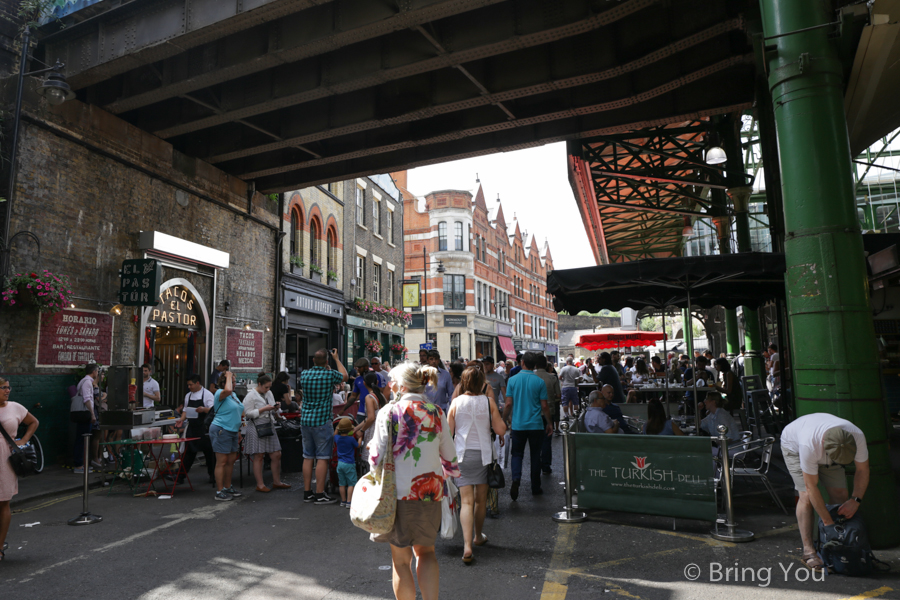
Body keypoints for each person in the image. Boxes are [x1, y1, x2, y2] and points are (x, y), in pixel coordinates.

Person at [367, 361, 459, 600]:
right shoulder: (436, 412)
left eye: (391, 380)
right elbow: (450, 458)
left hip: (395, 493)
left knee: (400, 561)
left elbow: (375, 459)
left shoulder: (388, 412)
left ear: (401, 384)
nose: (389, 384)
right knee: (427, 553)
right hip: (429, 492)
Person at [780, 413, 869, 571]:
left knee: (841, 496)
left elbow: (862, 470)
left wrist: (856, 500)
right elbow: (811, 487)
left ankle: (839, 545)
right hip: (794, 447)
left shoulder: (856, 435)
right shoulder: (809, 445)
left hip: (830, 452)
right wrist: (828, 523)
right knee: (806, 497)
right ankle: (809, 551)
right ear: (823, 443)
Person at [447, 366, 507, 564]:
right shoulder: (488, 401)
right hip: (483, 455)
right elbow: (500, 429)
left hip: (462, 454)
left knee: (466, 501)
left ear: (463, 383)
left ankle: (466, 546)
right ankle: (478, 536)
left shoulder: (456, 402)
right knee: (480, 500)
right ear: (483, 383)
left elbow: (449, 432)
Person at [300, 348, 348, 504]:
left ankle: (307, 492)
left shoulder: (305, 374)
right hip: (322, 420)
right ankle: (320, 494)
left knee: (307, 456)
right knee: (322, 458)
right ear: (326, 361)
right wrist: (337, 359)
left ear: (313, 360)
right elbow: (345, 376)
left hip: (306, 420)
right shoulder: (329, 375)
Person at [502, 351, 553, 500]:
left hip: (518, 425)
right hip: (536, 424)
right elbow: (544, 406)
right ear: (535, 365)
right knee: (535, 455)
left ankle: (516, 479)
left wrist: (503, 419)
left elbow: (508, 403)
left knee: (517, 454)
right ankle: (535, 486)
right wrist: (549, 422)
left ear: (522, 363)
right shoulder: (539, 381)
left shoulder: (512, 380)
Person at [0, 377, 39, 561]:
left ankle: (0, 546)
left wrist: (23, 441)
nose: (7, 391)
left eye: (8, 387)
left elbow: (33, 422)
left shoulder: (15, 407)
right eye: (3, 388)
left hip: (5, 459)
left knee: (3, 502)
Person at [243, 374, 290, 493]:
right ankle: (260, 484)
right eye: (266, 387)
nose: (268, 389)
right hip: (256, 425)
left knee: (276, 454)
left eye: (269, 387)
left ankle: (277, 481)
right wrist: (263, 409)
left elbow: (272, 407)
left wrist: (276, 407)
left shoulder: (269, 393)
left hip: (269, 424)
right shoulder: (250, 396)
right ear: (259, 384)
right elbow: (247, 414)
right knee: (258, 456)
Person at [174, 374, 216, 485]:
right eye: (188, 385)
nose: (189, 387)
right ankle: (180, 476)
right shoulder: (188, 395)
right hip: (192, 427)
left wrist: (203, 409)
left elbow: (212, 411)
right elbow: (185, 410)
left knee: (209, 453)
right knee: (188, 452)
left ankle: (213, 475)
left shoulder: (207, 395)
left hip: (204, 427)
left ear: (197, 383)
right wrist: (181, 420)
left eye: (191, 384)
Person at [209, 371, 244, 501]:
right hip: (221, 429)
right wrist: (228, 375)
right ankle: (219, 490)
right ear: (224, 383)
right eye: (233, 382)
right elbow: (228, 390)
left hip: (233, 431)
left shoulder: (233, 395)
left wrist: (239, 430)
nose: (235, 384)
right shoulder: (220, 393)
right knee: (222, 461)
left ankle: (228, 487)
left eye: (235, 381)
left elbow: (238, 412)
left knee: (230, 461)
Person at [352, 372, 388, 463]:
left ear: (364, 383)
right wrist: (356, 428)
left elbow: (371, 418)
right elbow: (369, 417)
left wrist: (361, 431)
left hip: (373, 431)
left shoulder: (369, 397)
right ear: (377, 382)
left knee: (371, 459)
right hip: (382, 428)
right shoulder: (381, 396)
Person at [534, 354, 560, 471]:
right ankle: (546, 465)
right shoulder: (553, 378)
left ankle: (536, 464)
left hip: (534, 412)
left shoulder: (532, 377)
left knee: (535, 441)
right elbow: (558, 396)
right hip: (549, 411)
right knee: (546, 440)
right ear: (545, 365)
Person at [73, 364, 99, 474]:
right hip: (85, 414)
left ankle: (82, 464)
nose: (97, 373)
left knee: (83, 439)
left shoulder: (85, 381)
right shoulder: (87, 382)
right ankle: (78, 466)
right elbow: (87, 399)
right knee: (82, 440)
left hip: (83, 414)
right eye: (97, 371)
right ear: (94, 371)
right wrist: (92, 414)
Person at [333, 417, 359, 508]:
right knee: (351, 483)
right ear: (350, 430)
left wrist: (337, 427)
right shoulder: (351, 439)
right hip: (349, 463)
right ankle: (349, 501)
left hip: (340, 464)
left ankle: (343, 501)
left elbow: (334, 434)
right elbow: (358, 445)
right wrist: (360, 438)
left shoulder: (337, 438)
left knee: (342, 484)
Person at [345, 358, 371, 424]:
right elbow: (353, 396)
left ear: (366, 367)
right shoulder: (357, 379)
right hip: (361, 412)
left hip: (373, 411)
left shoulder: (375, 376)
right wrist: (343, 409)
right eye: (357, 367)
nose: (358, 369)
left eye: (360, 367)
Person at [558, 356, 582, 421]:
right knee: (575, 402)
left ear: (567, 362)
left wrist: (563, 380)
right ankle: (575, 415)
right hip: (574, 387)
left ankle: (566, 416)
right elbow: (579, 378)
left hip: (565, 387)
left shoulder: (563, 368)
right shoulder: (576, 369)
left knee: (565, 402)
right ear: (572, 362)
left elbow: (560, 377)